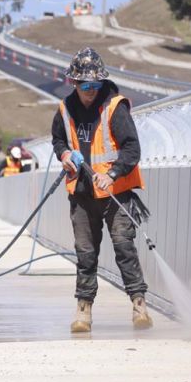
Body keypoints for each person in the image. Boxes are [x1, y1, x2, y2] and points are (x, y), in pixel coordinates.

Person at [51, 47, 152, 333]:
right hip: (82, 195)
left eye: (96, 85)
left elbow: (132, 148)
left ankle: (139, 304)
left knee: (124, 246)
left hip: (115, 194)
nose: (91, 91)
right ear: (74, 83)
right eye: (85, 86)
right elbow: (58, 140)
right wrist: (64, 155)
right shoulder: (65, 109)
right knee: (85, 253)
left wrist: (113, 173)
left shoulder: (114, 107)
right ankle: (83, 311)